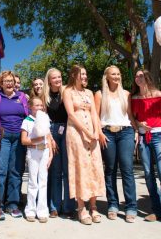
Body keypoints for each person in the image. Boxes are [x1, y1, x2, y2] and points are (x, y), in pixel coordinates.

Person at [130, 69, 161, 227]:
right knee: (149, 174)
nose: (138, 78)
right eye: (136, 76)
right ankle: (157, 210)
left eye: (141, 75)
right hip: (143, 138)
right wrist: (139, 125)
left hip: (159, 136)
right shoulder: (134, 98)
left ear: (147, 78)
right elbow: (133, 119)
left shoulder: (158, 95)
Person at [94, 66, 138, 223]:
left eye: (119, 74)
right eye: (113, 74)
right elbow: (96, 117)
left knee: (127, 169)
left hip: (126, 132)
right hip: (107, 134)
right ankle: (113, 205)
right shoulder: (99, 94)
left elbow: (130, 116)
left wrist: (137, 131)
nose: (117, 76)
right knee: (110, 169)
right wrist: (99, 132)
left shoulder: (126, 94)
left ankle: (131, 207)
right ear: (107, 76)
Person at [63, 65, 105, 225]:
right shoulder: (68, 91)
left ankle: (94, 206)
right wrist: (86, 132)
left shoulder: (89, 93)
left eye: (86, 74)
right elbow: (71, 115)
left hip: (92, 132)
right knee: (80, 166)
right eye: (83, 74)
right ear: (75, 75)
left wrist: (96, 131)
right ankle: (81, 208)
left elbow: (94, 112)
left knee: (94, 166)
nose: (85, 77)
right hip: (76, 132)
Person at [0, 70, 29, 219]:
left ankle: (13, 205)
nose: (9, 83)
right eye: (6, 81)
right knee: (1, 171)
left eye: (11, 80)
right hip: (2, 137)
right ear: (1, 83)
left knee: (16, 172)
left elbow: (28, 116)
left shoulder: (22, 97)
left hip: (18, 137)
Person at [43, 68, 74, 218]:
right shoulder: (45, 96)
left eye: (59, 77)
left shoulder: (67, 92)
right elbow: (42, 119)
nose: (58, 80)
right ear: (49, 80)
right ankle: (54, 206)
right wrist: (49, 137)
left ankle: (68, 207)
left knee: (68, 172)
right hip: (52, 131)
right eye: (54, 78)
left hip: (68, 130)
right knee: (55, 172)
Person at [21, 97, 54, 223]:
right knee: (33, 181)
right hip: (33, 151)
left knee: (43, 181)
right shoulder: (27, 121)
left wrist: (50, 153)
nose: (40, 107)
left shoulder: (45, 118)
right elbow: (23, 140)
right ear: (30, 107)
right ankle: (30, 210)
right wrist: (36, 140)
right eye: (37, 105)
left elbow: (48, 137)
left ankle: (42, 211)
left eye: (41, 105)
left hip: (44, 151)